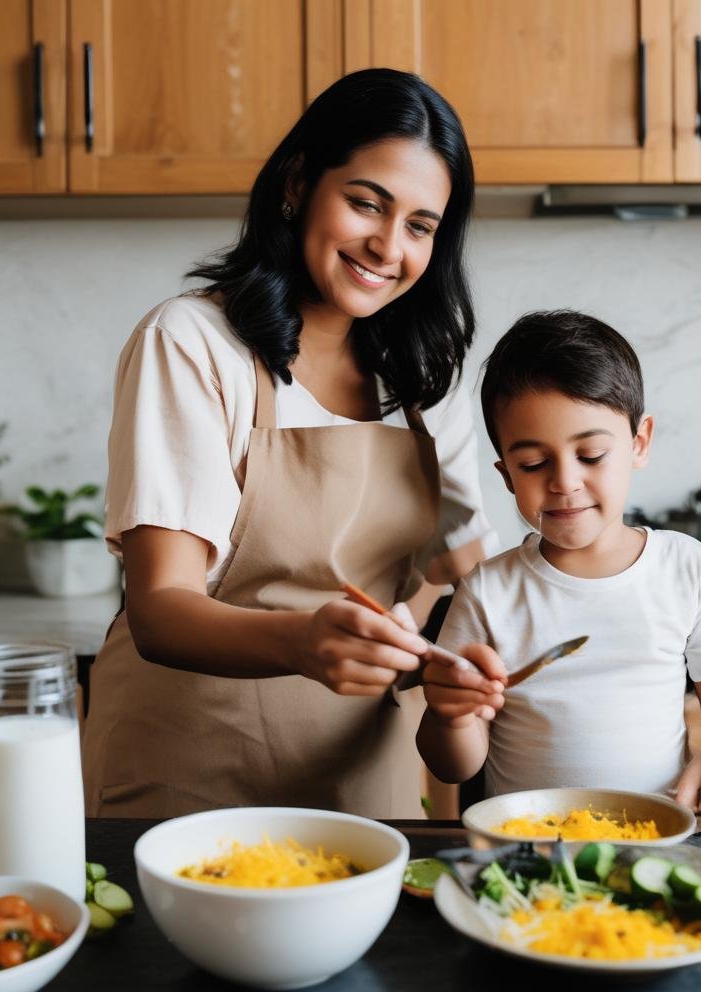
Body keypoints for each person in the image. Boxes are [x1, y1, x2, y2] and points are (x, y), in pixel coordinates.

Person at [82, 69, 494, 820]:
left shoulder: (428, 379)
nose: (387, 245)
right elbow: (161, 607)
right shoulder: (193, 343)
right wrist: (305, 641)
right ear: (299, 184)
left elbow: (471, 583)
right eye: (366, 203)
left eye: (419, 226)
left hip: (365, 783)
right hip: (187, 777)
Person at [416, 310, 701, 840]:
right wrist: (453, 716)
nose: (564, 482)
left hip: (655, 841)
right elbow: (454, 766)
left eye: (591, 454)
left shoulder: (686, 569)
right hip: (526, 850)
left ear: (639, 443)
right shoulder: (489, 591)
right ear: (507, 476)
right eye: (535, 464)